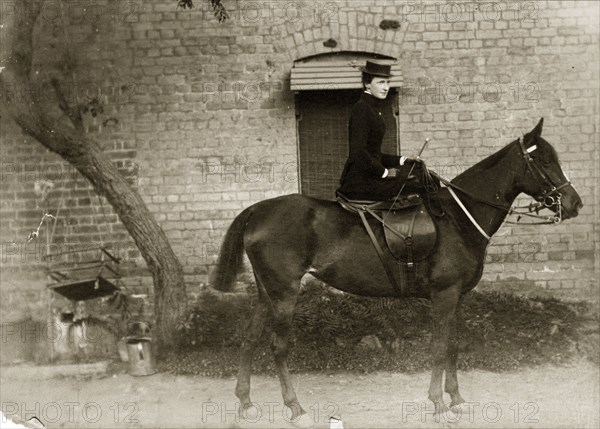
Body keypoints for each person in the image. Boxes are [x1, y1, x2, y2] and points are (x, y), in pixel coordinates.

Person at [337, 60, 426, 201]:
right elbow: (357, 152)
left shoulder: (373, 108)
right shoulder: (361, 108)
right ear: (367, 84)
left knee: (419, 172)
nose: (386, 88)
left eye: (387, 83)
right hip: (361, 182)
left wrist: (403, 160)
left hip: (370, 177)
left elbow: (374, 154)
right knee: (418, 182)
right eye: (381, 82)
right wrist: (384, 172)